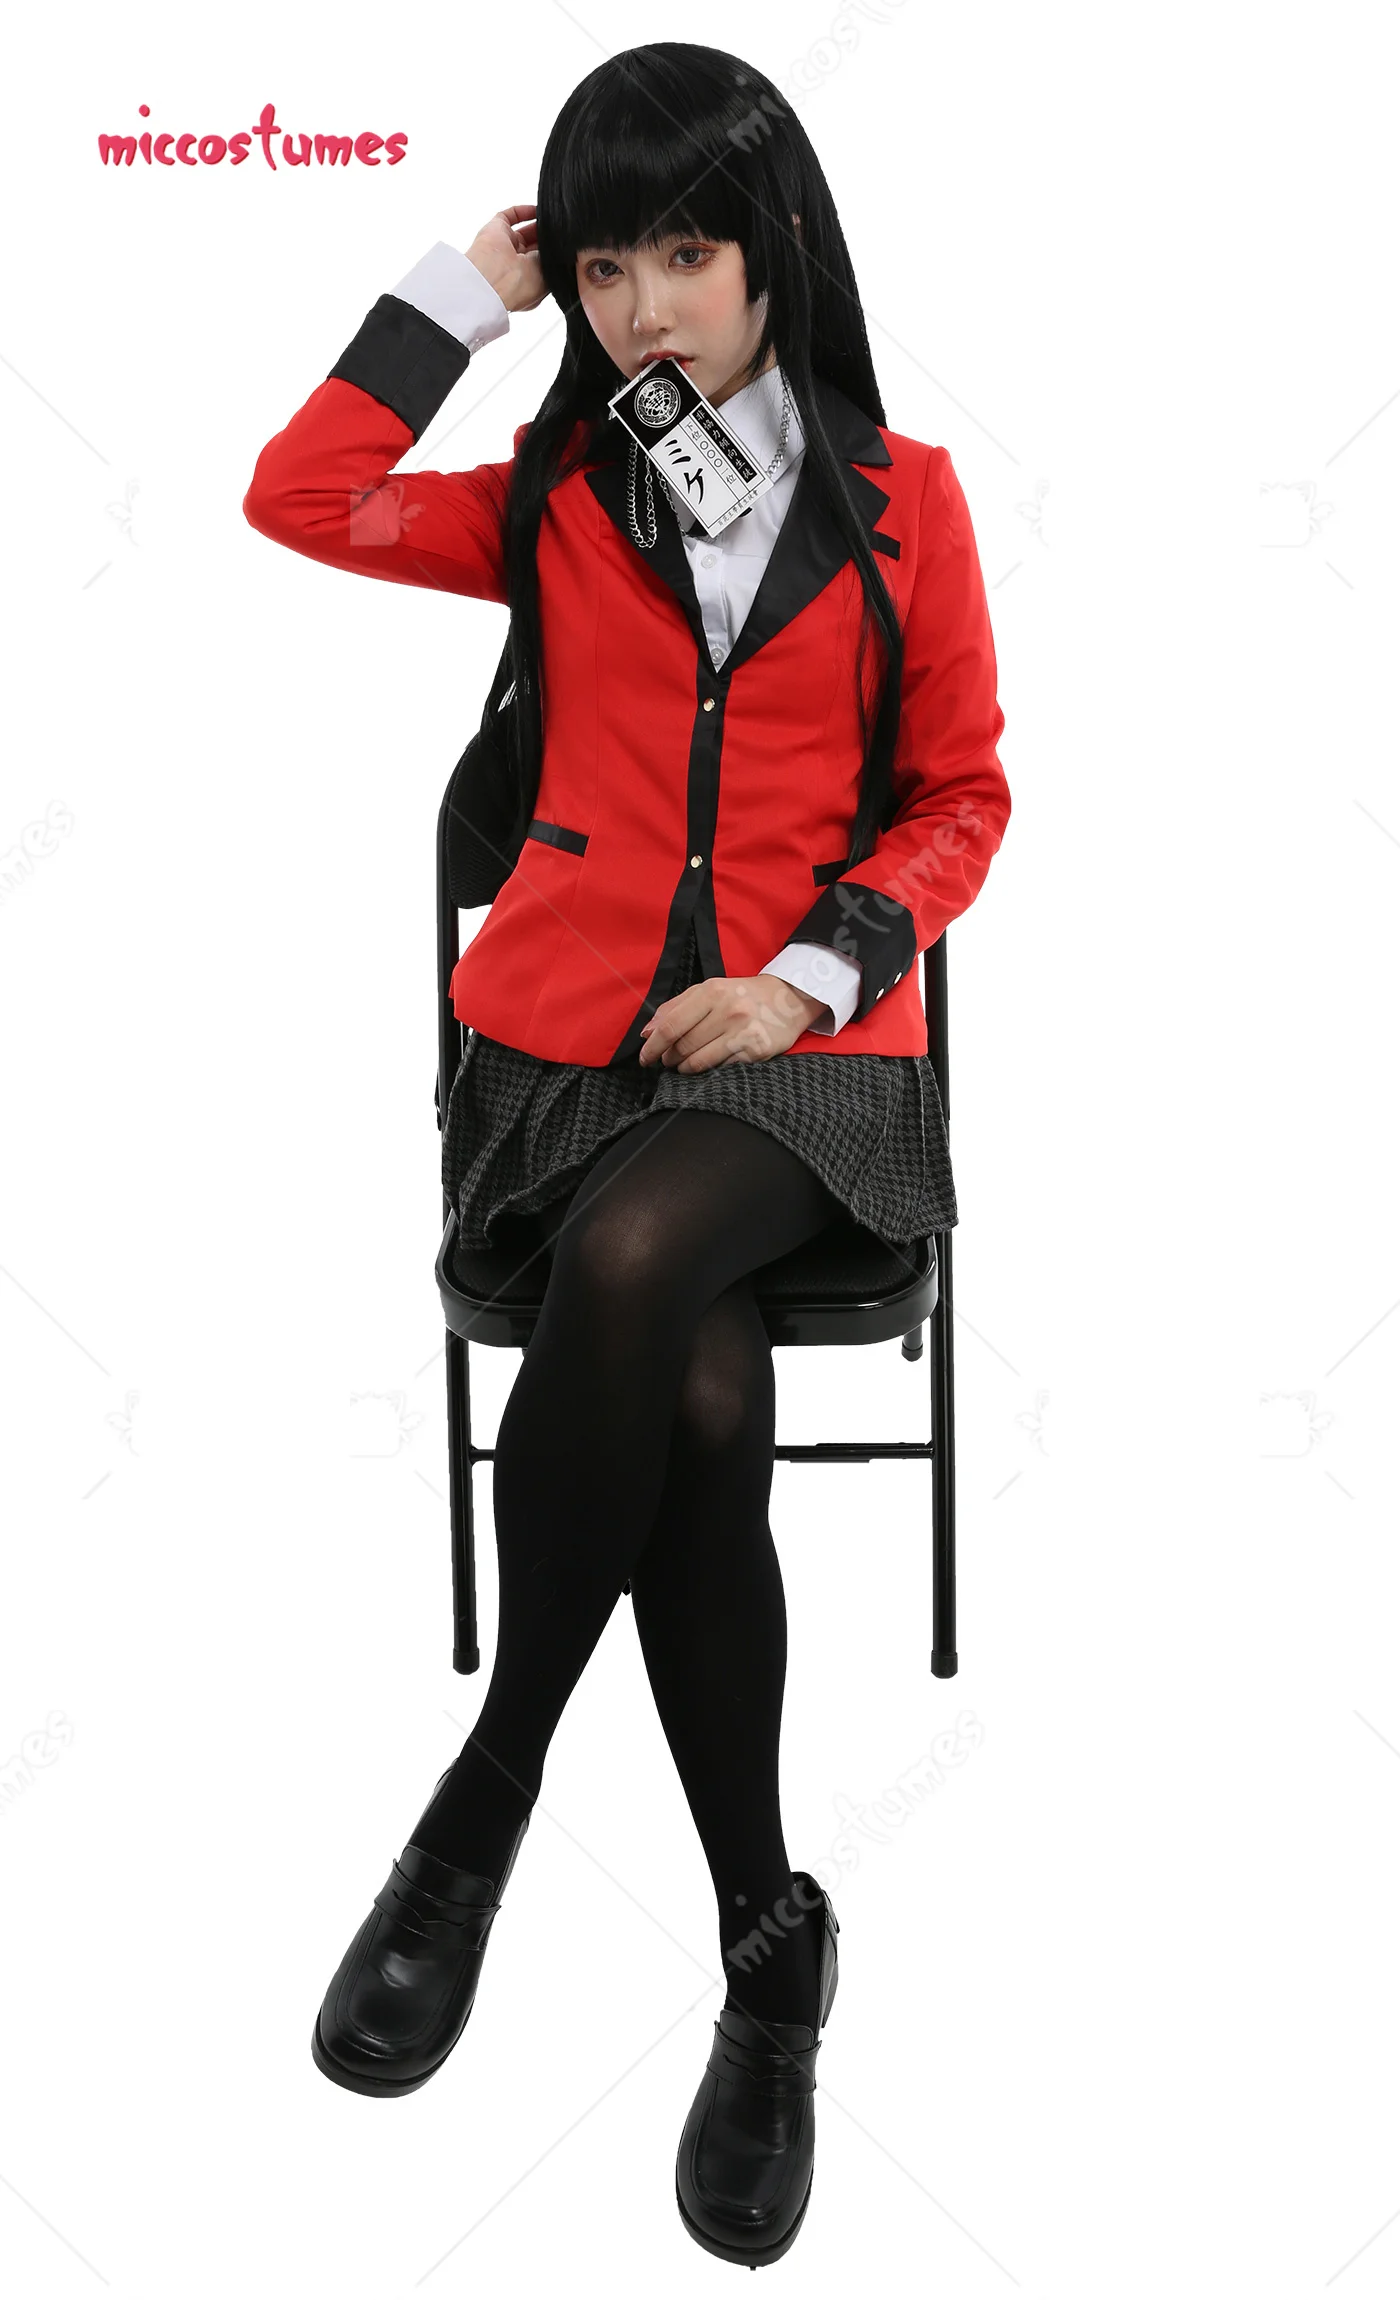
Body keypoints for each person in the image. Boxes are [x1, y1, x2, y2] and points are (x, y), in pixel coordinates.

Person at [243, 39, 1010, 2267]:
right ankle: (770, 1954)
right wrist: (452, 301)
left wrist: (808, 972)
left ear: (775, 252)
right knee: (693, 1385)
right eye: (604, 266)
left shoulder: (908, 503)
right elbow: (299, 494)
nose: (648, 304)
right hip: (564, 1056)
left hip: (805, 1063)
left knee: (641, 1260)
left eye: (687, 250)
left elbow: (961, 795)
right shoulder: (553, 493)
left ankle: (481, 1805)